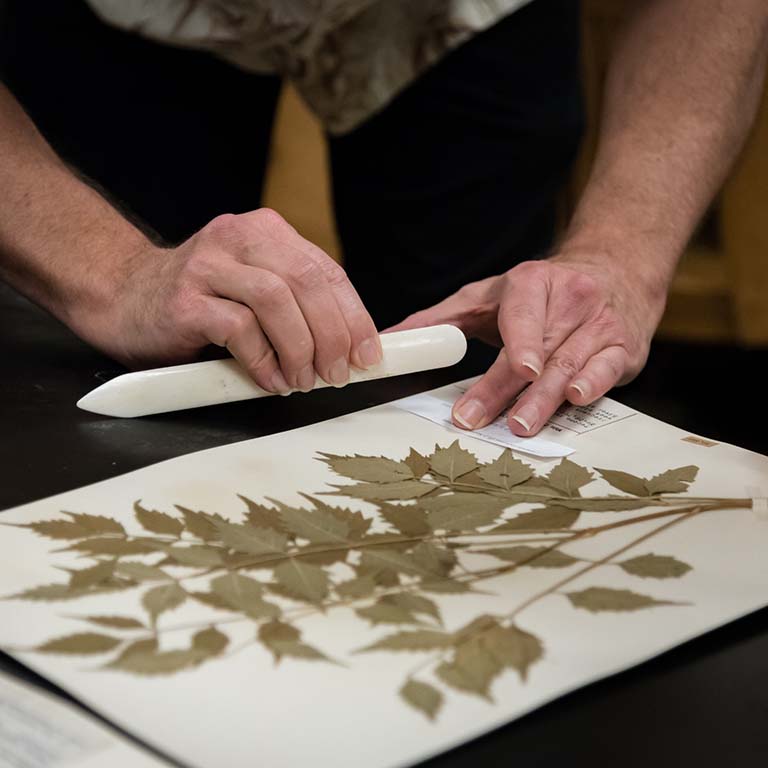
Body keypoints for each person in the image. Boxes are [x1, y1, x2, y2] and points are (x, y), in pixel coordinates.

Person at [0, 0, 766, 436]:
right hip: (119, 16)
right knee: (139, 389)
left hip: (464, 13)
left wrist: (622, 255)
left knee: (491, 391)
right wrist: (110, 271)